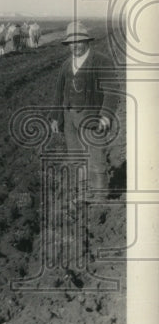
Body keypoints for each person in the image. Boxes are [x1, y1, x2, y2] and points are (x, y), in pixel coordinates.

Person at [49, 22, 119, 196]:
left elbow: (112, 90)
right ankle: (84, 193)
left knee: (97, 157)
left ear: (87, 41)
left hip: (92, 117)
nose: (75, 46)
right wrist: (56, 117)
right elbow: (60, 92)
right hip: (69, 118)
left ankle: (100, 197)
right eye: (71, 43)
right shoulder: (66, 65)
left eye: (78, 41)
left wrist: (106, 115)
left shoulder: (101, 61)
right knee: (75, 159)